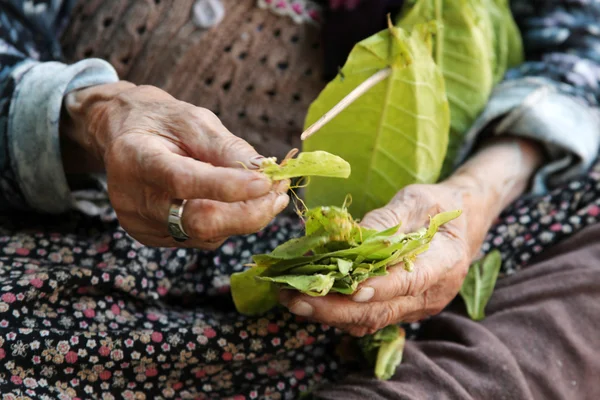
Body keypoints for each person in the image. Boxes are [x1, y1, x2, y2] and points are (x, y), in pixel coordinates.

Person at [0, 0, 599, 398]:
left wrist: (473, 196)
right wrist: (90, 118)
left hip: (432, 218)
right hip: (75, 220)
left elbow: (582, 49)